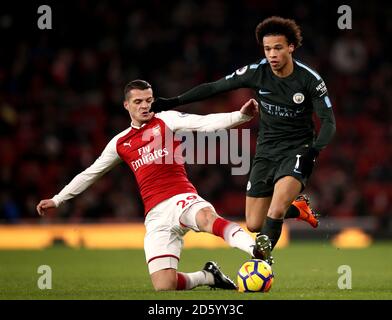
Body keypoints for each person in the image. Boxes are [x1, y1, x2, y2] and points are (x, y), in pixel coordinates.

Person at [36, 79, 271, 292]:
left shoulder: (165, 120)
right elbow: (91, 173)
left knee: (207, 218)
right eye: (138, 102)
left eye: (148, 100)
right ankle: (209, 277)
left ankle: (256, 251)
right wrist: (58, 199)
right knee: (164, 285)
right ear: (126, 105)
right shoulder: (120, 143)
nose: (145, 106)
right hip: (156, 215)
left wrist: (240, 116)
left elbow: (204, 124)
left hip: (181, 197)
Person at [152, 16, 337, 261]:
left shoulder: (309, 80)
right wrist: (173, 102)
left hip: (298, 149)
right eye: (267, 48)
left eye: (278, 48)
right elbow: (214, 87)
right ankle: (299, 208)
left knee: (277, 207)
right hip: (266, 150)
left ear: (291, 47)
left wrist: (313, 152)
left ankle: (261, 263)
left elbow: (329, 122)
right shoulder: (257, 72)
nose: (272, 54)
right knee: (254, 223)